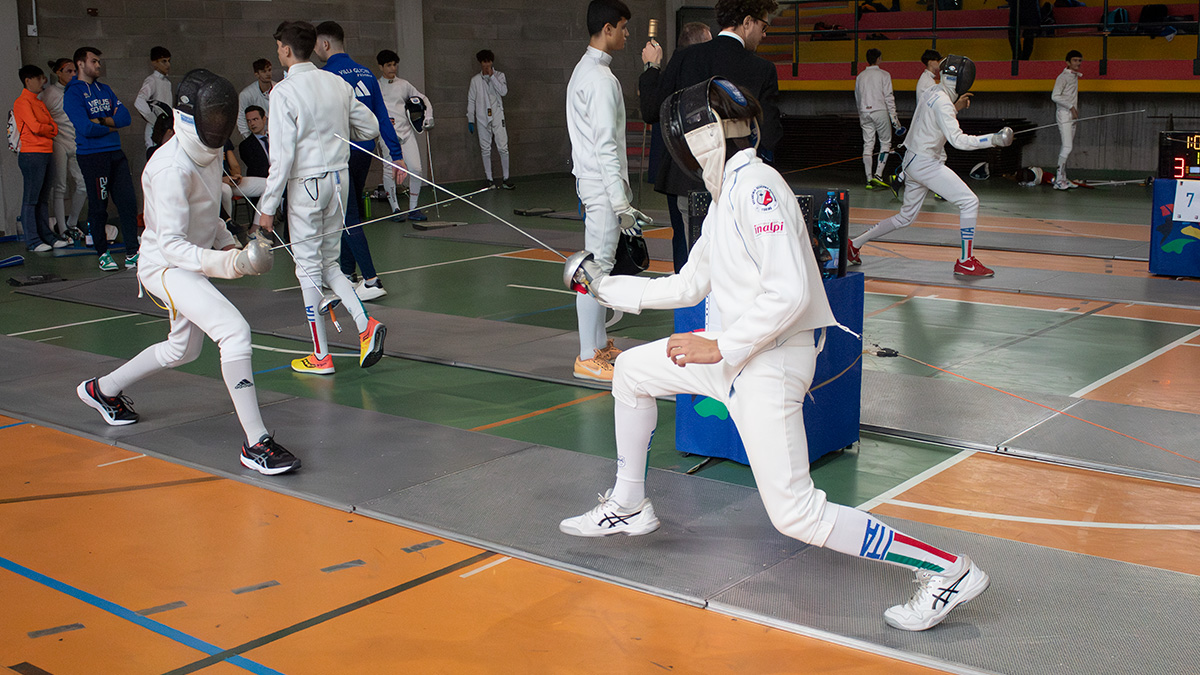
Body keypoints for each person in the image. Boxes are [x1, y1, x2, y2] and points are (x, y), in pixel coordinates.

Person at [560, 78, 990, 633]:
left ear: (704, 140)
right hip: (730, 360)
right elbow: (689, 285)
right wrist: (603, 287)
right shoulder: (725, 196)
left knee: (796, 515)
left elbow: (789, 293)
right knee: (633, 372)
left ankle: (949, 571)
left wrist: (718, 344)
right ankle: (629, 505)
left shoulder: (757, 188)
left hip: (769, 364)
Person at [76, 69, 300, 476]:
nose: (217, 125)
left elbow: (209, 212)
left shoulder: (209, 154)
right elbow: (173, 247)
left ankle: (101, 389)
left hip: (191, 263)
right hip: (165, 267)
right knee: (234, 331)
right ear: (189, 117)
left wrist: (230, 245)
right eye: (211, 116)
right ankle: (256, 443)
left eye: (220, 117)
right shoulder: (168, 169)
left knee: (182, 350)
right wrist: (232, 264)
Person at [255, 20, 387, 375]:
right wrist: (337, 133)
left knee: (308, 270)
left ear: (285, 49)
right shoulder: (336, 83)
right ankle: (365, 325)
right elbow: (371, 127)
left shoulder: (283, 92)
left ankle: (320, 355)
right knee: (329, 265)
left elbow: (281, 158)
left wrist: (266, 209)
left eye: (278, 47)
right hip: (339, 183)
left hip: (307, 187)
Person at [638, 0, 784, 272]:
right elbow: (770, 135)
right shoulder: (763, 69)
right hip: (737, 185)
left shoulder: (685, 57)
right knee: (736, 266)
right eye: (763, 27)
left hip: (689, 179)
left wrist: (651, 68)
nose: (764, 34)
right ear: (748, 22)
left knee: (693, 267)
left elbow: (650, 110)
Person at [848, 55, 1013, 277]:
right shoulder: (943, 102)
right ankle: (966, 261)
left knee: (905, 217)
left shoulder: (932, 91)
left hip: (911, 162)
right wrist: (993, 139)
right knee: (969, 201)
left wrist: (955, 107)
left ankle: (854, 244)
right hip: (926, 164)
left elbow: (936, 117)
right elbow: (958, 140)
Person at [566, 0, 646, 382]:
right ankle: (586, 357)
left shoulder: (587, 69)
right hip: (600, 185)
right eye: (623, 27)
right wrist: (620, 202)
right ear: (608, 28)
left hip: (594, 183)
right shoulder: (598, 79)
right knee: (594, 271)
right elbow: (605, 147)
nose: (627, 34)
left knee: (601, 267)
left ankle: (597, 345)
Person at [313, 20, 407, 303]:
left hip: (342, 152)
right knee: (346, 212)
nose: (315, 50)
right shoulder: (366, 72)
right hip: (365, 150)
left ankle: (371, 279)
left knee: (347, 216)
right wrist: (396, 155)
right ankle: (347, 273)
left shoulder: (325, 75)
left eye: (316, 44)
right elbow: (383, 117)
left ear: (325, 44)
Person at [638, 20, 713, 272]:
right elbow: (651, 110)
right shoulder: (691, 65)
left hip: (677, 171)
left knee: (682, 234)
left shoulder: (674, 68)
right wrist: (651, 69)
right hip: (692, 168)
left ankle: (685, 279)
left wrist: (652, 68)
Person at [63, 46, 141, 271]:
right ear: (81, 64)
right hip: (93, 156)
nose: (98, 65)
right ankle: (102, 253)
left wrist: (102, 121)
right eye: (94, 61)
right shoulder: (73, 93)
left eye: (98, 61)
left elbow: (125, 118)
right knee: (99, 205)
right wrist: (111, 126)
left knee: (128, 202)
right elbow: (85, 128)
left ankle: (132, 252)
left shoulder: (105, 89)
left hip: (115, 153)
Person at [377, 48, 434, 223]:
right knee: (390, 171)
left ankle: (413, 208)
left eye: (394, 65)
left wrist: (429, 116)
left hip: (406, 133)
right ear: (381, 67)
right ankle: (395, 209)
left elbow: (423, 99)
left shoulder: (404, 84)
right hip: (387, 135)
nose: (393, 68)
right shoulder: (376, 86)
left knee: (416, 169)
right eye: (388, 65)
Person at [13, 64, 64, 252]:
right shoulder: (22, 102)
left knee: (43, 198)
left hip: (46, 152)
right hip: (31, 154)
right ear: (28, 80)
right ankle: (33, 240)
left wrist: (47, 129)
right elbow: (36, 127)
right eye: (39, 78)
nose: (43, 81)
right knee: (31, 198)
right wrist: (47, 128)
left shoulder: (39, 102)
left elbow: (53, 127)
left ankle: (47, 236)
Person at [40, 58, 87, 241]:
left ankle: (72, 224)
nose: (73, 74)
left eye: (75, 71)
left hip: (77, 141)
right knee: (60, 186)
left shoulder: (79, 90)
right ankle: (62, 229)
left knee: (83, 184)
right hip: (58, 141)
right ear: (58, 73)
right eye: (68, 71)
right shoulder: (49, 93)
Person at [855, 48, 902, 190]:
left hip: (864, 112)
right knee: (885, 143)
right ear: (878, 59)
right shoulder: (884, 75)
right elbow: (889, 97)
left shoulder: (860, 76)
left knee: (868, 144)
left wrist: (861, 112)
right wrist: (895, 119)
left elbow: (858, 97)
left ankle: (869, 178)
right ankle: (878, 175)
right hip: (879, 111)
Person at [466, 49, 513, 189]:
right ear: (480, 63)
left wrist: (492, 77)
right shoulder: (475, 80)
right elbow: (471, 100)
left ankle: (506, 178)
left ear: (492, 62)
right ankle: (489, 179)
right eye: (484, 62)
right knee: (485, 149)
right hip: (482, 117)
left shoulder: (500, 76)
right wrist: (470, 119)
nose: (486, 65)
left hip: (497, 115)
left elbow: (503, 91)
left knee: (503, 147)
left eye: (488, 62)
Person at [1051, 50, 1082, 190]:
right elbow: (1055, 96)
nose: (1078, 63)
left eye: (1079, 60)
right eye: (1075, 60)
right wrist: (1071, 107)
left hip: (1071, 115)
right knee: (1068, 147)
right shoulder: (1062, 77)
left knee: (1066, 147)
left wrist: (1073, 110)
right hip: (1064, 114)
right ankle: (1058, 180)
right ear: (1068, 62)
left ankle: (1063, 178)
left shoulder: (1074, 76)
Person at [133, 46, 172, 149]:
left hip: (166, 127)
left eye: (169, 61)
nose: (168, 64)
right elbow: (139, 101)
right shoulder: (152, 80)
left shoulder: (167, 83)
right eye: (164, 61)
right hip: (155, 130)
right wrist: (154, 120)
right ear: (154, 63)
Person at [236, 59, 274, 139]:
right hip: (257, 136)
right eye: (264, 71)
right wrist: (249, 139)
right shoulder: (246, 94)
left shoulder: (279, 89)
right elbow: (241, 118)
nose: (268, 74)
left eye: (269, 70)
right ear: (257, 74)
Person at [238, 106, 271, 179]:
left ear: (264, 119)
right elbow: (256, 167)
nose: (252, 123)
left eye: (255, 119)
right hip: (261, 181)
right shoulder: (245, 145)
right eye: (249, 121)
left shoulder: (274, 139)